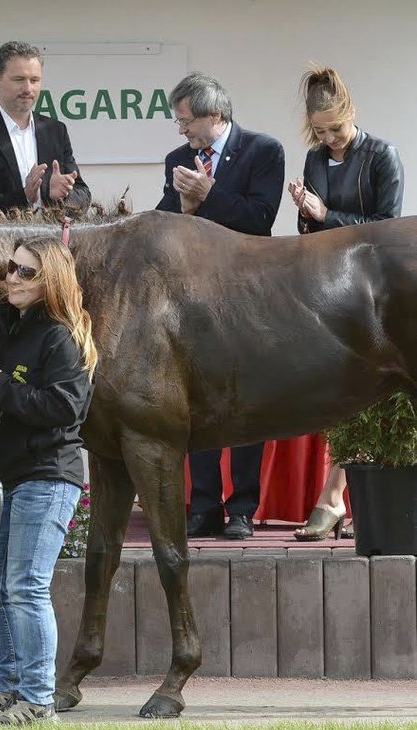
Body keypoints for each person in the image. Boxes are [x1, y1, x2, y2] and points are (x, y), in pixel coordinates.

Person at [0, 235, 96, 725]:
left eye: (26, 272)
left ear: (50, 280)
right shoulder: (3, 330)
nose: (12, 276)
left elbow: (65, 408)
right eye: (11, 267)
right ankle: (6, 687)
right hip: (3, 476)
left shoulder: (60, 335)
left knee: (27, 586)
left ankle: (38, 698)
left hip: (48, 476)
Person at [155, 72, 285, 540]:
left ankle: (242, 508)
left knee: (248, 398)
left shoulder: (263, 151)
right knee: (197, 401)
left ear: (216, 116)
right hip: (195, 294)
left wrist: (209, 195)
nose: (182, 131)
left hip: (248, 291)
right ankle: (203, 505)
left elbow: (259, 218)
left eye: (187, 121)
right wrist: (184, 210)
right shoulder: (178, 159)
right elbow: (165, 223)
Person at [287, 65, 404, 541]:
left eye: (336, 128)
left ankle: (333, 496)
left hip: (374, 289)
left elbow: (386, 228)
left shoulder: (382, 156)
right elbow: (310, 234)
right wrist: (304, 213)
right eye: (320, 131)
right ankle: (335, 497)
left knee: (367, 383)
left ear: (351, 112)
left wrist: (326, 214)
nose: (330, 139)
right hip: (329, 285)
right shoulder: (315, 159)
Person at [0, 41, 91, 213]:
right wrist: (23, 197)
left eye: (34, 80)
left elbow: (83, 195)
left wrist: (63, 196)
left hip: (51, 238)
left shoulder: (56, 131)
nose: (28, 88)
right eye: (19, 79)